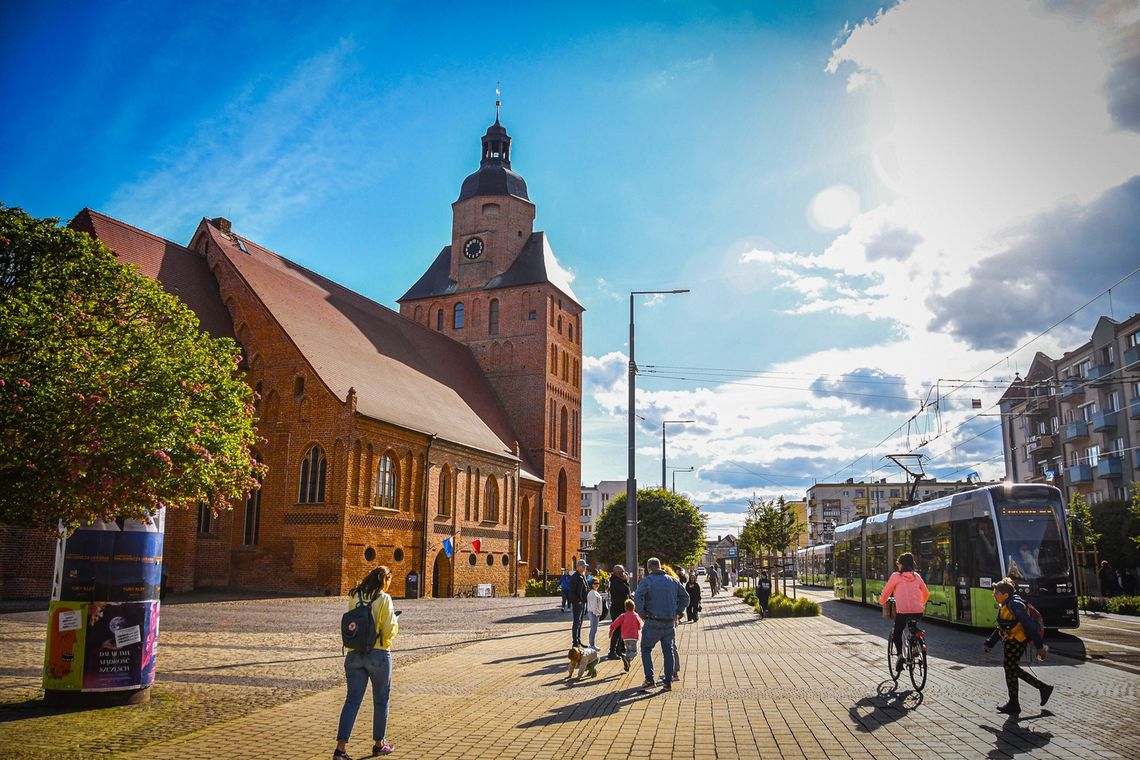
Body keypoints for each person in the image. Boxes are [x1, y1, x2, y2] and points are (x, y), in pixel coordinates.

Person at [334, 566, 399, 759]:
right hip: (378, 655)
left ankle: (340, 749)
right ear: (383, 580)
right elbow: (388, 631)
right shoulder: (384, 599)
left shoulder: (354, 596)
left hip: (354, 654)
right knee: (381, 700)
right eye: (389, 580)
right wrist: (395, 621)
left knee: (351, 701)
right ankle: (379, 744)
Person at [984, 578, 1053, 715]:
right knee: (1011, 669)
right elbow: (1002, 627)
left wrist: (1039, 647)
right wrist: (990, 642)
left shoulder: (1015, 604)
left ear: (1005, 594)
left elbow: (1029, 625)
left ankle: (1025, 697)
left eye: (996, 593)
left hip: (1017, 641)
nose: (994, 595)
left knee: (1011, 668)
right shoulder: (1005, 604)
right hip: (1011, 641)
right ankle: (1017, 701)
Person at [632, 557, 689, 692]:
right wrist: (678, 612)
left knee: (646, 649)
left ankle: (650, 680)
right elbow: (685, 597)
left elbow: (637, 597)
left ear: (648, 568)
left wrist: (642, 614)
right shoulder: (673, 581)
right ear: (660, 566)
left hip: (653, 620)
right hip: (669, 622)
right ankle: (668, 682)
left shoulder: (647, 581)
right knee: (668, 651)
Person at [878, 552, 929, 675]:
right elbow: (926, 593)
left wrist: (881, 601)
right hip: (918, 611)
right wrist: (920, 603)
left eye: (898, 564)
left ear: (900, 565)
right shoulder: (917, 576)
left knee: (897, 632)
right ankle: (915, 643)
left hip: (902, 612)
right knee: (912, 627)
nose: (898, 566)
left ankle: (900, 656)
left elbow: (886, 592)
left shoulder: (896, 576)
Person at [608, 598, 643, 672]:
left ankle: (627, 665)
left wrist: (611, 630)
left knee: (628, 650)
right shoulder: (636, 615)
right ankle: (626, 657)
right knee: (634, 652)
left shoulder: (623, 616)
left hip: (625, 637)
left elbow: (615, 623)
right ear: (634, 607)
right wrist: (638, 629)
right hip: (633, 636)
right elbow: (640, 625)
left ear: (625, 608)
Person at [607, 565, 632, 660]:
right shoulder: (616, 581)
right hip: (618, 609)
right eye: (622, 571)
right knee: (617, 631)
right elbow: (626, 590)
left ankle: (620, 648)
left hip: (621, 609)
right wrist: (626, 581)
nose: (624, 573)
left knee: (621, 631)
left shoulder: (618, 581)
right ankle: (612, 651)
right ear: (617, 572)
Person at [569, 560, 588, 647]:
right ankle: (575, 641)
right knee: (576, 622)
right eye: (583, 566)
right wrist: (578, 601)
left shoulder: (582, 576)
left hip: (582, 602)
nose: (585, 568)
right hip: (578, 603)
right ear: (578, 567)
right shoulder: (575, 577)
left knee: (580, 622)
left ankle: (578, 639)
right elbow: (572, 592)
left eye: (585, 566)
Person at [586, 577, 604, 648]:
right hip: (593, 613)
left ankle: (591, 644)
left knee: (593, 629)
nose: (597, 585)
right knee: (593, 629)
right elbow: (594, 606)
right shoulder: (593, 593)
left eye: (598, 583)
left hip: (593, 612)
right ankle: (592, 645)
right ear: (592, 584)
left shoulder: (594, 592)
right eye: (595, 583)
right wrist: (597, 614)